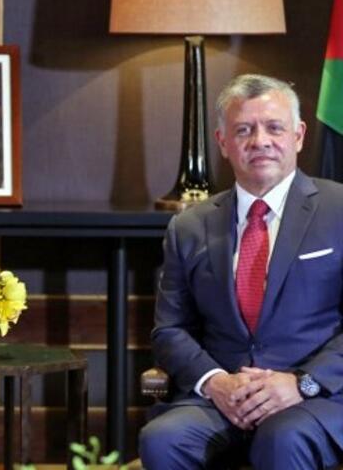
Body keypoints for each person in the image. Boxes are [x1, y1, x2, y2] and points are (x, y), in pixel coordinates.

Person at [139, 74, 343, 469]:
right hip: (222, 399)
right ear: (223, 142)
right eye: (244, 130)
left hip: (317, 397)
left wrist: (302, 383)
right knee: (162, 439)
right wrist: (215, 382)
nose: (260, 141)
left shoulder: (339, 210)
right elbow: (169, 330)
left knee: (281, 438)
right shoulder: (189, 226)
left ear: (299, 135)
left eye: (274, 128)